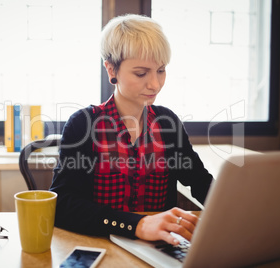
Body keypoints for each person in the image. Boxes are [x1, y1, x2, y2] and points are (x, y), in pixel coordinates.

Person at [49, 14, 213, 246]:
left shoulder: (167, 123)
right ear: (111, 69)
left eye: (161, 70)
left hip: (159, 246)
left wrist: (234, 212)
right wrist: (136, 225)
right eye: (141, 73)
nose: (155, 84)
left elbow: (199, 182)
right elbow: (62, 204)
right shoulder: (84, 124)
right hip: (100, 243)